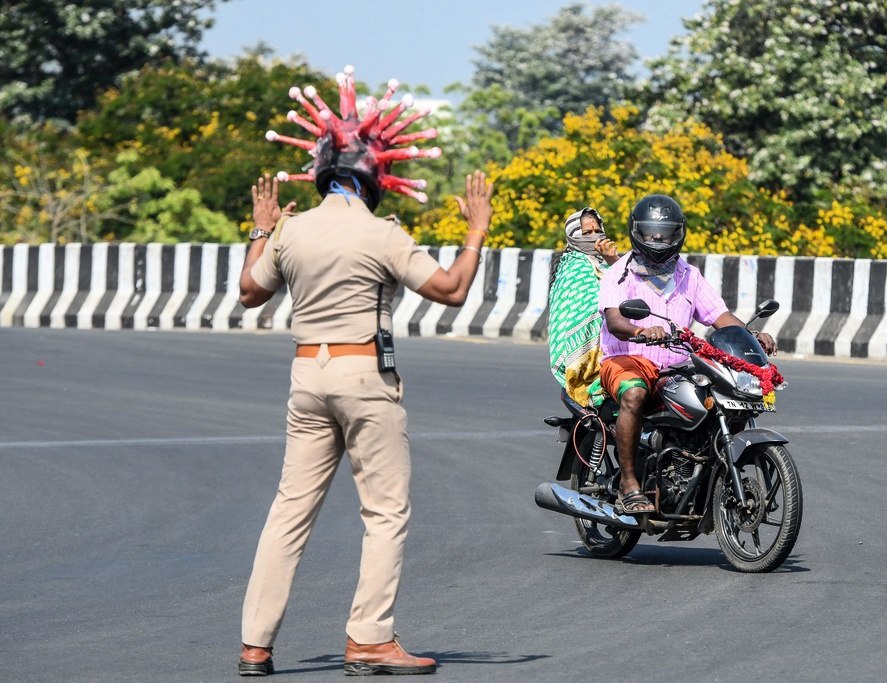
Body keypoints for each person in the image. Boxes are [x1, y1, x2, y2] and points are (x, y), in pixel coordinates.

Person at [235, 70, 494, 677]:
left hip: (307, 377)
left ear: (321, 165)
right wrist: (476, 228)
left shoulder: (291, 231)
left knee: (288, 511)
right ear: (376, 173)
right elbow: (452, 291)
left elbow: (249, 293)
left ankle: (255, 644)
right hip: (364, 379)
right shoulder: (383, 234)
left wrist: (261, 230)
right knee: (384, 512)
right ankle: (369, 638)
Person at [597, 194, 777, 514]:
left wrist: (751, 336)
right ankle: (628, 484)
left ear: (678, 234)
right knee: (635, 393)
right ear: (636, 232)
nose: (658, 240)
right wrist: (641, 331)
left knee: (722, 398)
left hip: (678, 365)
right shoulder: (619, 272)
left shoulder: (688, 275)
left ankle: (698, 468)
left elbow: (720, 316)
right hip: (627, 359)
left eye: (665, 233)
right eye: (651, 233)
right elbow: (615, 320)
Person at [547, 206, 619, 407]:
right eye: (587, 233)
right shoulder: (573, 267)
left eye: (597, 231)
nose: (594, 236)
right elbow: (585, 309)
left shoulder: (608, 263)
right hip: (589, 357)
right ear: (573, 236)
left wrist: (614, 261)